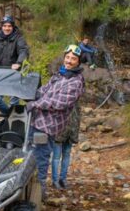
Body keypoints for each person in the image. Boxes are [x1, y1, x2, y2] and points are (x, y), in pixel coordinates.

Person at [26, 45, 85, 200]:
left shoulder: (76, 82)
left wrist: (36, 104)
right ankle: (27, 190)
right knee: (28, 155)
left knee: (41, 158)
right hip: (36, 121)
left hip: (48, 126)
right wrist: (28, 93)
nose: (69, 61)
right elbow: (43, 91)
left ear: (78, 62)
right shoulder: (59, 75)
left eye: (73, 59)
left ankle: (39, 194)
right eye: (68, 57)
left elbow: (59, 102)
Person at [0, 15, 29, 114]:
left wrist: (18, 63)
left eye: (9, 26)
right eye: (5, 26)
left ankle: (15, 119)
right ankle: (9, 115)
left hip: (15, 74)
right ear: (1, 27)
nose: (7, 28)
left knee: (14, 102)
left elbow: (23, 51)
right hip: (1, 74)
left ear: (13, 27)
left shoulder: (19, 38)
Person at [51, 100, 81, 190]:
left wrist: (75, 133)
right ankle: (55, 181)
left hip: (71, 132)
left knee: (66, 156)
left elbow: (78, 118)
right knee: (56, 158)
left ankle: (62, 180)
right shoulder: (60, 99)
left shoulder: (76, 101)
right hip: (59, 132)